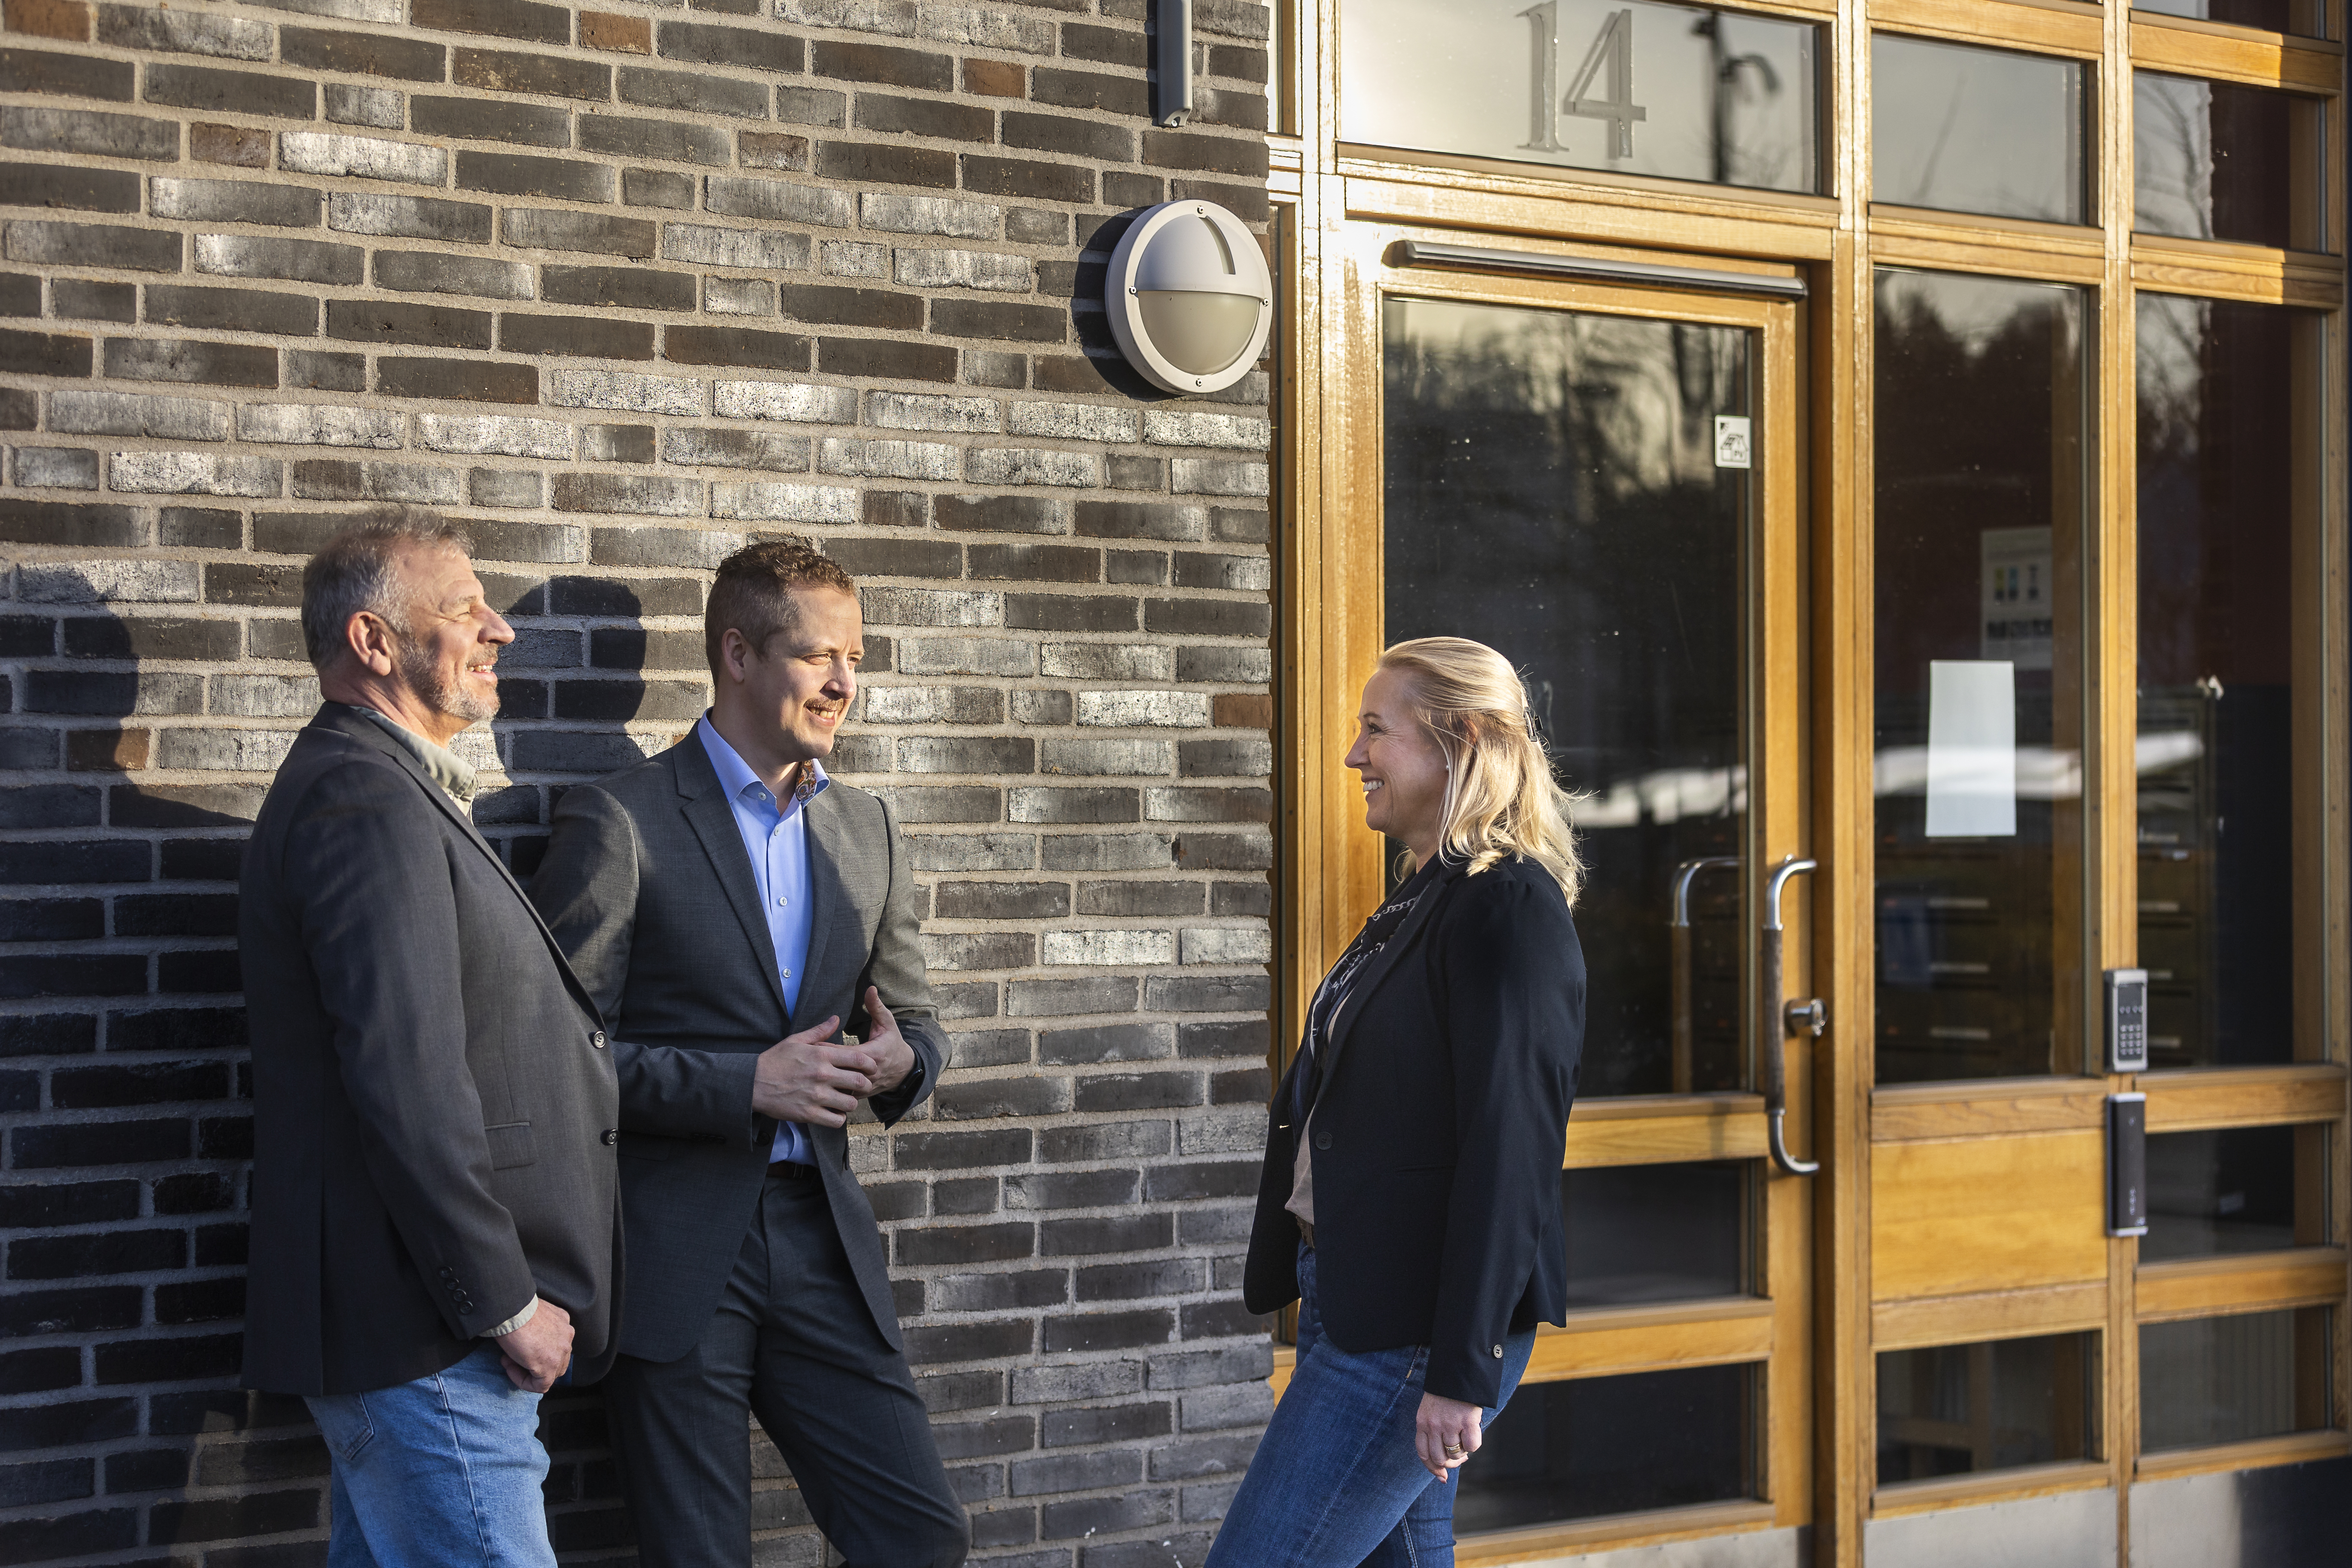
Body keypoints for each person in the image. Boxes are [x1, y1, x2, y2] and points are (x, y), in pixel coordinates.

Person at [530, 540, 968, 1568]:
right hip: (676, 1254)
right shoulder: (622, 821)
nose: (846, 684)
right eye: (820, 657)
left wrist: (906, 1066)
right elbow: (553, 1056)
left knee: (920, 1537)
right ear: (738, 653)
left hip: (819, 1238)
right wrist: (745, 1083)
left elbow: (919, 1021)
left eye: (854, 657)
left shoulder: (867, 830)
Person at [239, 509, 622, 1568]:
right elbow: (406, 1081)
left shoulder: (383, 787)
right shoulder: (364, 799)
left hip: (418, 1337)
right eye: (464, 610)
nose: (498, 630)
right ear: (374, 642)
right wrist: (504, 1305)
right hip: (432, 1340)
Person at [1208, 636, 1588, 1568]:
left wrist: (1461, 1371)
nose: (1353, 756)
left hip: (1410, 1336)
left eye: (1376, 730)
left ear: (1459, 740)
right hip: (1357, 1301)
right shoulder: (1420, 901)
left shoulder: (1507, 910)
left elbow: (1512, 1152)